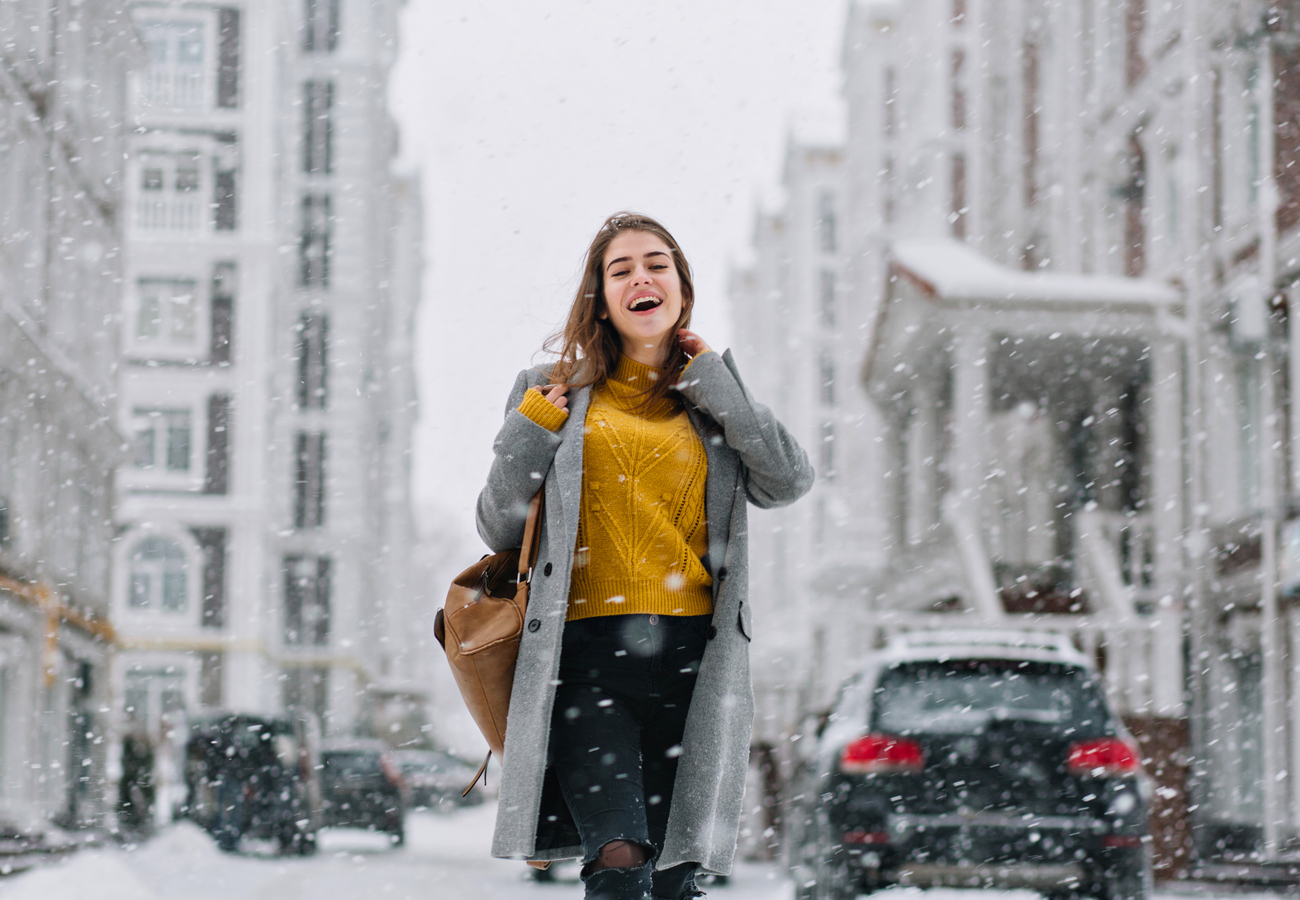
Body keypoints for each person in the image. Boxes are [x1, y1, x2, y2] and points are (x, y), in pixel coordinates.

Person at [476, 212, 813, 899]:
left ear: (682, 291)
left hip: (696, 663)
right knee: (621, 862)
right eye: (621, 269)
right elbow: (496, 524)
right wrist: (532, 428)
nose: (641, 278)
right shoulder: (552, 392)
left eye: (657, 264)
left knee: (674, 877)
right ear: (602, 299)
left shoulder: (711, 400)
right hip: (586, 661)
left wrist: (719, 384)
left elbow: (786, 480)